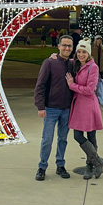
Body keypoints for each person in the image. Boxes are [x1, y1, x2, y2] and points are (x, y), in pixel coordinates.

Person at [34, 35, 74, 181]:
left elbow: (88, 61)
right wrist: (40, 106)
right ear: (58, 46)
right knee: (47, 139)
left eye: (69, 46)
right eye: (64, 45)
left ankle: (60, 165)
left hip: (67, 109)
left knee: (63, 139)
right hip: (50, 108)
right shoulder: (49, 63)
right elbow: (40, 86)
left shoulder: (72, 64)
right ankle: (42, 166)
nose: (67, 48)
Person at [65, 39, 103, 180]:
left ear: (89, 53)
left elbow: (89, 90)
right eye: (79, 52)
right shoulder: (76, 64)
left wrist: (72, 85)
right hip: (78, 105)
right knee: (77, 135)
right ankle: (98, 161)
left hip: (88, 105)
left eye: (84, 52)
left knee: (91, 136)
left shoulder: (93, 67)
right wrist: (54, 56)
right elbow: (63, 59)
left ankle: (91, 165)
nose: (81, 54)